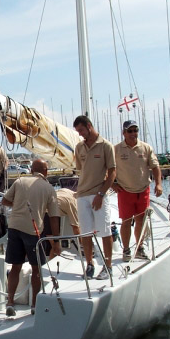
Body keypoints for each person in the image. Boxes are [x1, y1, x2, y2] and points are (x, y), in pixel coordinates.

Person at [1, 159, 61, 316]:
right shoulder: (48, 188)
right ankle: (34, 305)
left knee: (15, 267)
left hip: (14, 227)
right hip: (33, 231)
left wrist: (19, 204)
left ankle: (10, 302)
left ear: (31, 170)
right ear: (46, 171)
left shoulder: (20, 181)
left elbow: (5, 201)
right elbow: (54, 216)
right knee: (36, 269)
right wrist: (56, 242)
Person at [73, 115, 116, 280]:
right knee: (85, 233)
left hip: (99, 194)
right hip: (82, 194)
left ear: (89, 126)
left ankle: (108, 266)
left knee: (105, 231)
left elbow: (112, 172)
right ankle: (90, 264)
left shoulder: (106, 146)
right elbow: (80, 169)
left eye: (81, 130)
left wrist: (101, 193)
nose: (80, 134)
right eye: (77, 131)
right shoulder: (79, 147)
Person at [113, 120, 162, 261]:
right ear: (124, 133)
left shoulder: (146, 148)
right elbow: (108, 168)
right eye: (130, 131)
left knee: (141, 220)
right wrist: (112, 184)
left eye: (135, 130)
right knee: (126, 221)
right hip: (125, 191)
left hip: (143, 190)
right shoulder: (116, 149)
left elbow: (155, 167)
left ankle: (140, 247)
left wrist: (158, 184)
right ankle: (126, 250)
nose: (133, 133)